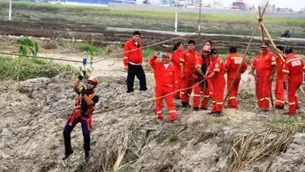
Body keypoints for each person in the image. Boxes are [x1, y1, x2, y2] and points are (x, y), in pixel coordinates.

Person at [62, 73, 99, 162]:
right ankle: (68, 151)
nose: (90, 84)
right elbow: (75, 87)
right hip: (76, 114)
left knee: (86, 135)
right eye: (89, 82)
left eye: (92, 83)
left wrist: (83, 93)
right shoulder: (83, 91)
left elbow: (90, 103)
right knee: (66, 132)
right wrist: (80, 77)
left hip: (85, 116)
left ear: (95, 86)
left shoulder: (96, 97)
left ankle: (87, 152)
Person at [149, 52, 178, 121]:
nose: (164, 59)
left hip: (169, 88)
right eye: (163, 57)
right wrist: (154, 56)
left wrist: (176, 89)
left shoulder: (172, 67)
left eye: (166, 57)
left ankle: (173, 117)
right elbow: (151, 61)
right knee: (158, 102)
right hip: (159, 87)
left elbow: (175, 80)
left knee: (170, 103)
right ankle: (159, 115)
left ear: (169, 59)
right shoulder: (157, 64)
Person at [282, 47, 305, 116]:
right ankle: (296, 105)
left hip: (293, 79)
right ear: (292, 51)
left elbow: (286, 73)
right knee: (294, 92)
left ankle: (292, 112)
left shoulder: (287, 61)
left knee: (290, 95)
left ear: (285, 53)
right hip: (300, 78)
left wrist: (285, 82)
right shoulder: (299, 59)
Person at [205, 49, 226, 116]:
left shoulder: (218, 61)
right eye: (209, 55)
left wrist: (208, 77)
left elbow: (215, 72)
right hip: (214, 81)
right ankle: (214, 109)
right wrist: (205, 75)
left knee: (219, 96)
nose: (210, 56)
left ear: (215, 54)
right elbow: (208, 69)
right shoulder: (212, 61)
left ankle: (218, 110)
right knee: (214, 96)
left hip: (219, 81)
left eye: (211, 55)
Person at [256, 42, 276, 112]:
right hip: (260, 75)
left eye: (264, 48)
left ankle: (265, 106)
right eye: (261, 48)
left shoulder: (271, 55)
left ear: (267, 47)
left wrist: (272, 75)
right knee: (260, 90)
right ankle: (261, 104)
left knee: (265, 90)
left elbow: (274, 66)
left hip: (267, 74)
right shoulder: (261, 55)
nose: (263, 49)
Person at [179, 40, 200, 107]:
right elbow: (181, 64)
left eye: (192, 45)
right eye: (190, 45)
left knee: (190, 88)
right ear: (188, 46)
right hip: (186, 72)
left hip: (193, 73)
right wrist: (182, 73)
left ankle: (187, 101)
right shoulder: (184, 53)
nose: (191, 46)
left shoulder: (196, 53)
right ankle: (183, 101)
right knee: (184, 87)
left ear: (194, 46)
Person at [193, 45, 211, 111]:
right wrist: (203, 76)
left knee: (207, 92)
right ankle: (195, 106)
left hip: (205, 77)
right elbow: (198, 68)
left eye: (206, 52)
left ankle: (204, 106)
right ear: (202, 51)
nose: (205, 53)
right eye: (204, 51)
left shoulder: (209, 59)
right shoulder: (199, 58)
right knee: (197, 92)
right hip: (198, 77)